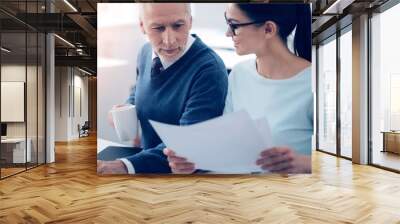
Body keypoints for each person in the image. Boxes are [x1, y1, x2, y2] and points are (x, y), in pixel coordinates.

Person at [164, 3, 313, 174]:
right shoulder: (240, 73)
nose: (228, 33)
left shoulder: (312, 83)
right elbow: (229, 145)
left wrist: (304, 164)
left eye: (234, 26)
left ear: (268, 29)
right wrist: (193, 161)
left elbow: (345, 164)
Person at [97, 3, 228, 174]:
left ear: (190, 21)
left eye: (178, 26)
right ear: (142, 26)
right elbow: (139, 89)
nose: (169, 40)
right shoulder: (145, 52)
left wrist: (124, 166)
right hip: (145, 161)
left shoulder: (210, 69)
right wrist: (127, 107)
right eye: (158, 28)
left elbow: (187, 142)